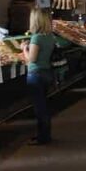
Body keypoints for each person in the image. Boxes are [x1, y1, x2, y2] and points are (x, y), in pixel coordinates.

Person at [21, 9, 56, 145]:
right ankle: (44, 134)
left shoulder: (37, 38)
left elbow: (32, 59)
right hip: (46, 72)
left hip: (36, 74)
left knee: (39, 107)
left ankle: (43, 137)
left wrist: (24, 48)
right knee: (44, 105)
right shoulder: (49, 36)